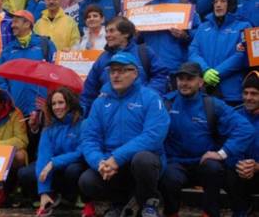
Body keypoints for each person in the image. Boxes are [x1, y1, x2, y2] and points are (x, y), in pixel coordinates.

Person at [79, 52, 170, 217]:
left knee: (143, 160)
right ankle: (118, 204)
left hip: (141, 161)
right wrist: (99, 162)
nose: (116, 75)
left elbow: (154, 135)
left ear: (135, 73)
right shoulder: (100, 102)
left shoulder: (150, 98)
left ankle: (149, 202)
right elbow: (89, 139)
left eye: (122, 70)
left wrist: (117, 157)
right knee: (87, 181)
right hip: (112, 164)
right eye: (113, 71)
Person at [160, 62, 254, 217]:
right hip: (175, 163)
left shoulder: (213, 105)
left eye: (189, 79)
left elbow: (245, 129)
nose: (184, 83)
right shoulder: (165, 103)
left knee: (214, 168)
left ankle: (210, 213)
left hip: (203, 162)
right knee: (168, 175)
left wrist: (222, 153)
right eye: (180, 78)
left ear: (201, 82)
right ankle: (171, 213)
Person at [18, 87, 89, 217]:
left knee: (73, 171)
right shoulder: (49, 126)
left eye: (61, 102)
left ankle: (71, 197)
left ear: (70, 103)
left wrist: (53, 163)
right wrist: (43, 191)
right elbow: (44, 156)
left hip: (71, 165)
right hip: (52, 168)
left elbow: (81, 153)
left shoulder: (83, 124)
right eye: (53, 104)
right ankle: (47, 196)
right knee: (25, 173)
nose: (57, 107)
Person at [80, 16, 169, 116]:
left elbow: (161, 75)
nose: (107, 35)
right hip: (110, 115)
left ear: (126, 34)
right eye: (107, 31)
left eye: (112, 31)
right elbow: (90, 89)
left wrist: (148, 97)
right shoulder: (102, 58)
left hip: (140, 113)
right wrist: (82, 109)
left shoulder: (144, 52)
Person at [189, 0, 251, 106]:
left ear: (231, 4)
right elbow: (193, 52)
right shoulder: (203, 27)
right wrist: (205, 70)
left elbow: (241, 55)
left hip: (231, 91)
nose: (218, 5)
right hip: (204, 90)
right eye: (216, 2)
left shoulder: (244, 26)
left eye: (223, 1)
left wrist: (217, 73)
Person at [140, 0, 200, 75]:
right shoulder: (146, 8)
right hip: (151, 65)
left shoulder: (183, 4)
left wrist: (185, 35)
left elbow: (198, 32)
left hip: (175, 64)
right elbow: (139, 39)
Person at [0, 10, 56, 117]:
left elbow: (55, 72)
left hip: (42, 109)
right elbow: (1, 79)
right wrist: (8, 100)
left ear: (27, 24)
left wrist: (50, 100)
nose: (12, 25)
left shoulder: (45, 44)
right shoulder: (8, 50)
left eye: (15, 22)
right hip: (16, 110)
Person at [225, 71, 259, 216]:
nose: (248, 98)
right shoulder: (234, 115)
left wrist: (257, 166)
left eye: (254, 93)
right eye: (245, 93)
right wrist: (239, 164)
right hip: (241, 171)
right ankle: (240, 210)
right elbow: (225, 146)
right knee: (224, 170)